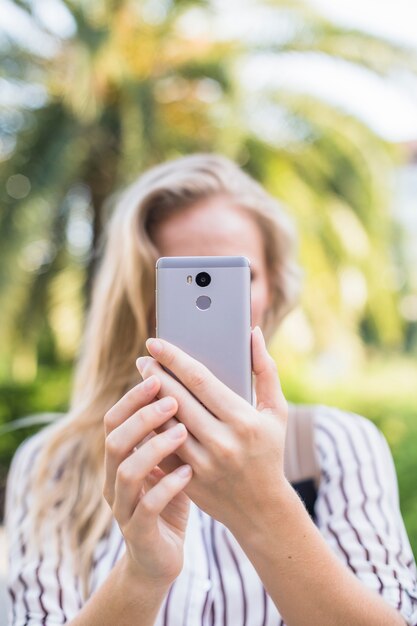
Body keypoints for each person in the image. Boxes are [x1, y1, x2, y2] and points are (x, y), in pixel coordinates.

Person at [5, 153, 417, 626]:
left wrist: (264, 507)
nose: (211, 299)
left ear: (274, 292)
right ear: (138, 296)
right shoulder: (51, 467)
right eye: (178, 278)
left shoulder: (338, 445)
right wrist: (141, 576)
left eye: (237, 275)